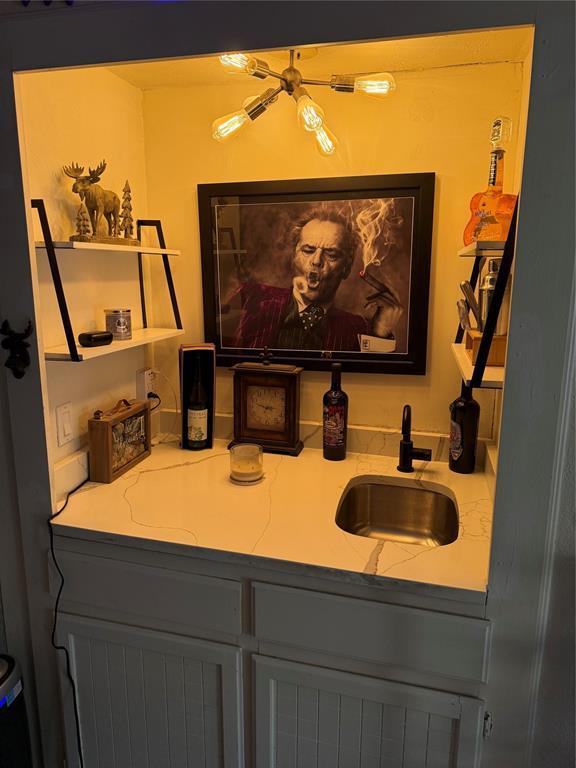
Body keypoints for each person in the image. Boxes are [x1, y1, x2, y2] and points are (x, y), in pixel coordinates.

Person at [230, 208, 403, 352]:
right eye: (308, 250)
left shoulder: (360, 329)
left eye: (332, 254)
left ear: (346, 268)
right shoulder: (250, 298)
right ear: (294, 256)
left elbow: (372, 383)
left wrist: (381, 333)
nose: (317, 261)